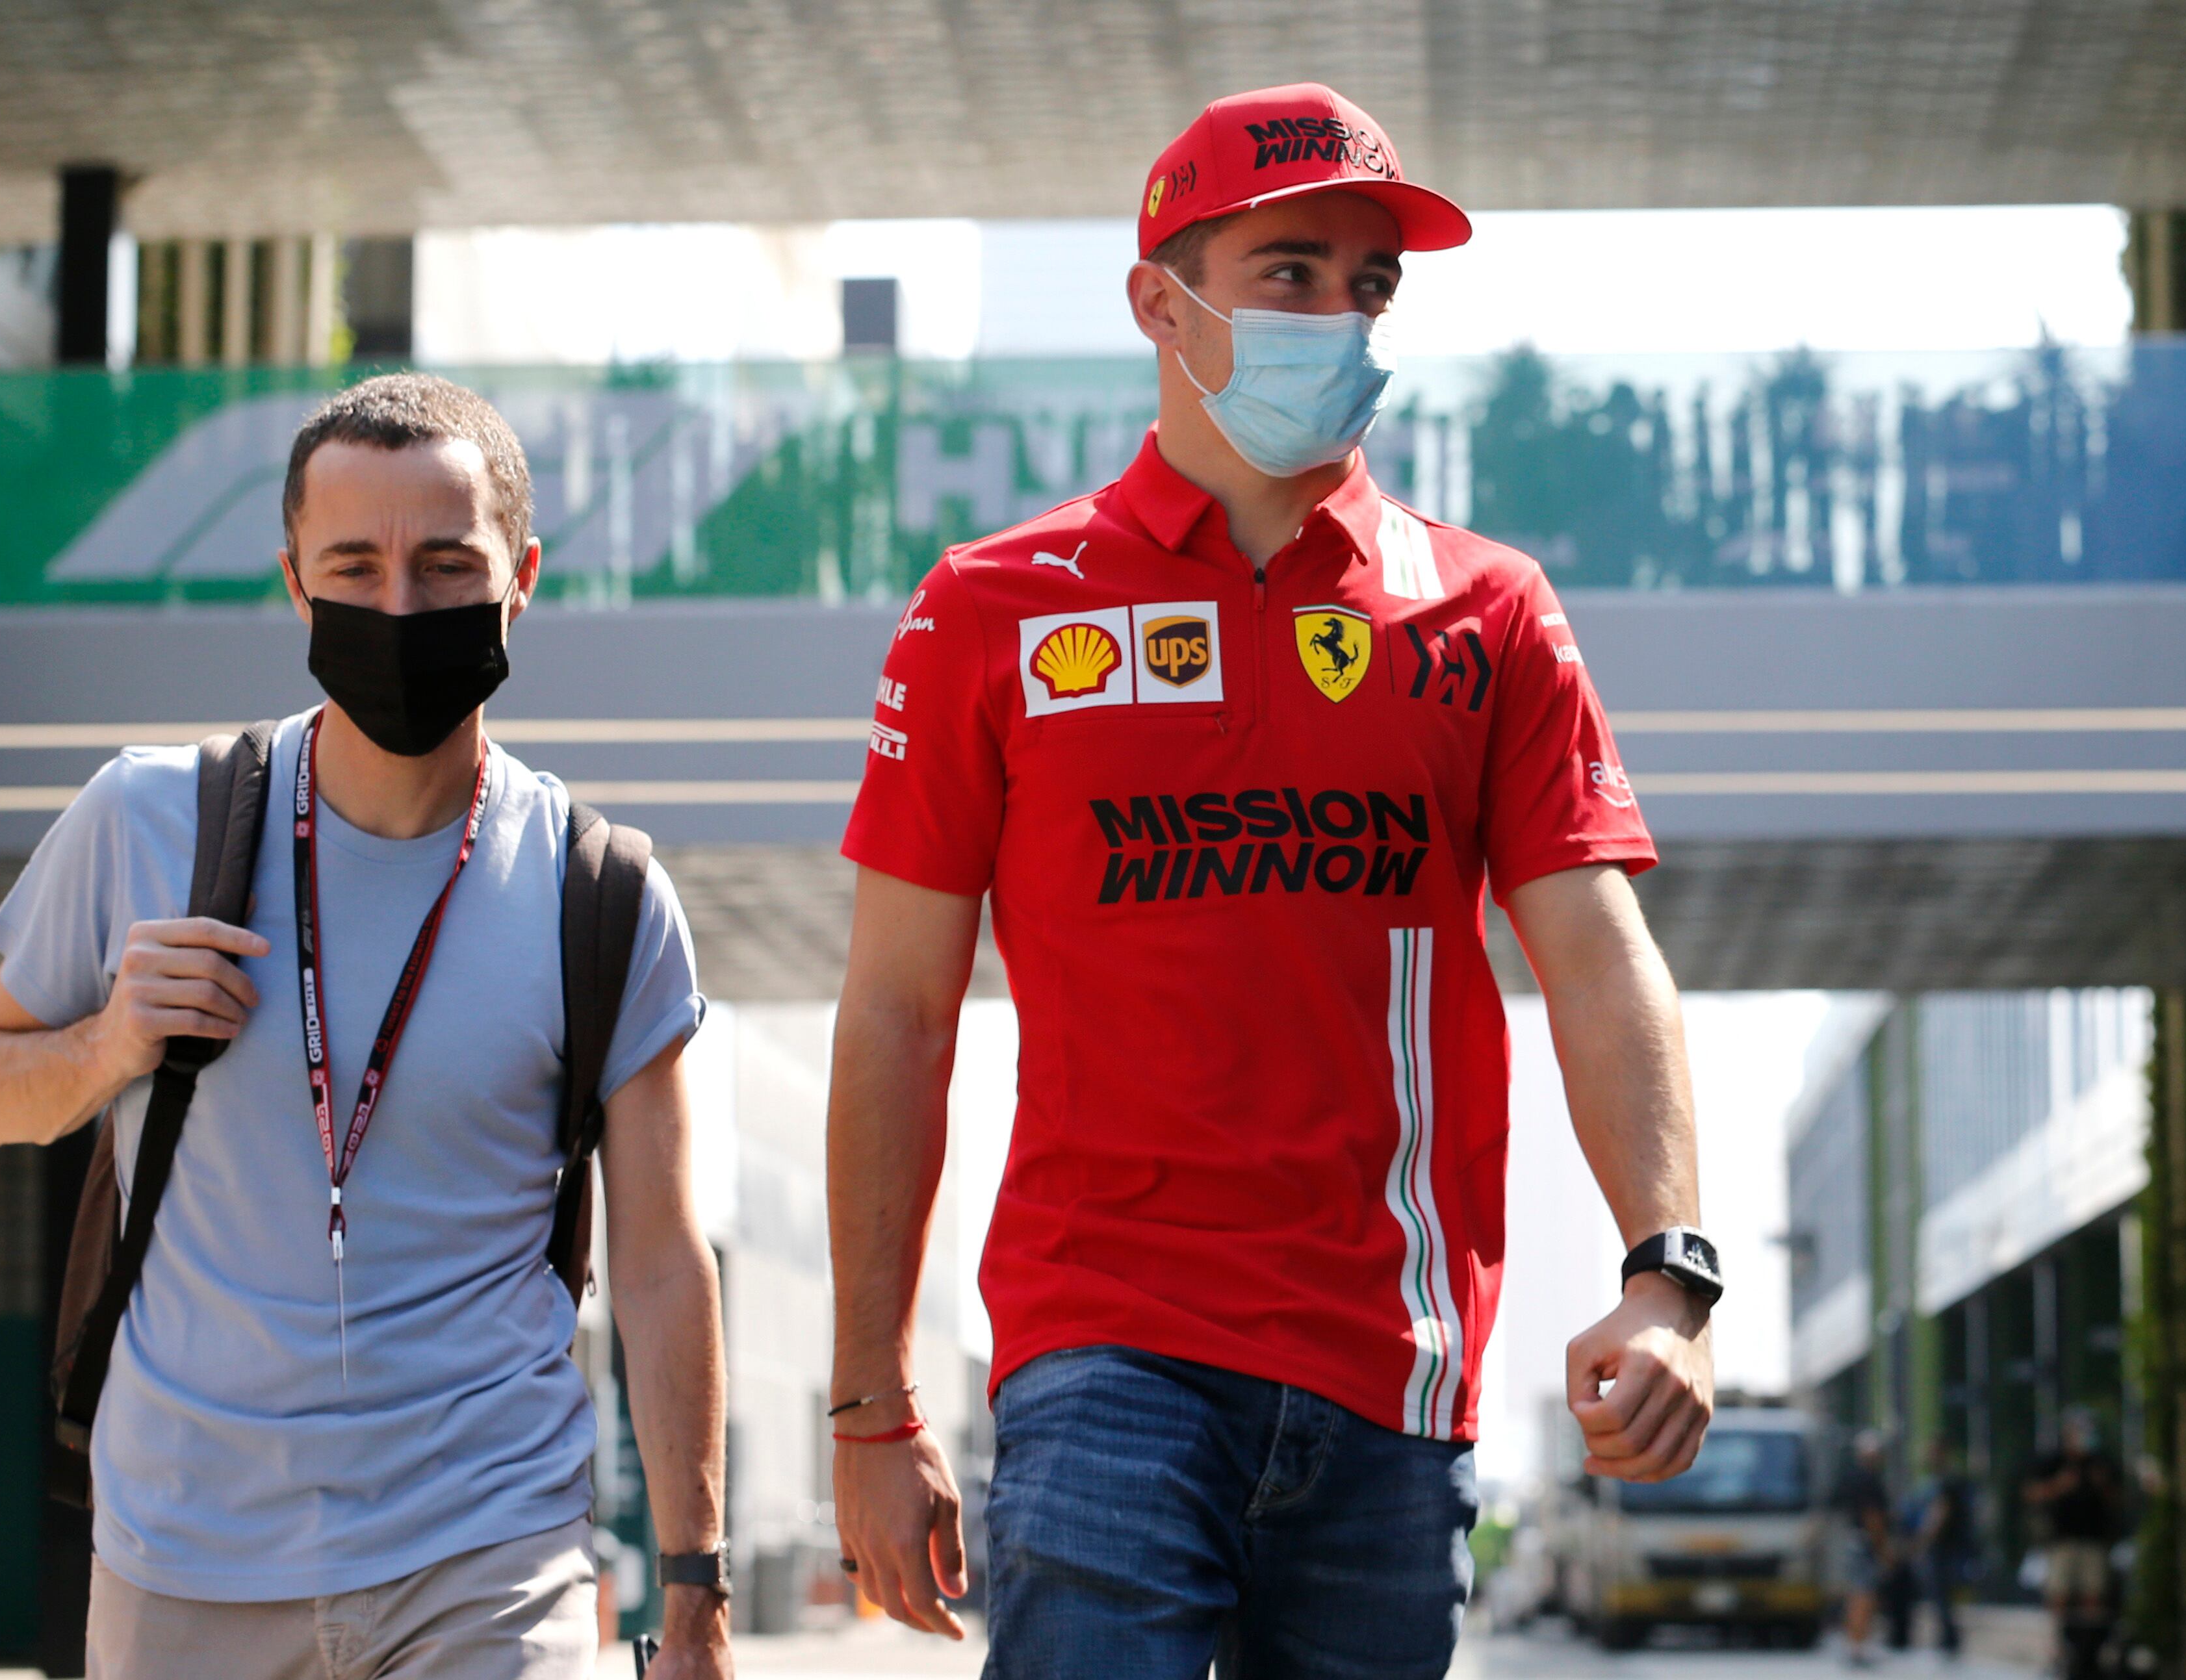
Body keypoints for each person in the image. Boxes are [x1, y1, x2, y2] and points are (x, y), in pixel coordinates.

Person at [823, 83, 1720, 1679]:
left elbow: (1596, 956)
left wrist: (1669, 1269)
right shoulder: (989, 610)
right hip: (1101, 1352)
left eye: (1370, 285)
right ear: (1157, 300)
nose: (1341, 318)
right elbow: (896, 1011)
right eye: (1290, 272)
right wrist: (869, 1403)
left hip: (1392, 1377)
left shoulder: (1487, 609)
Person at [0, 374, 733, 1680]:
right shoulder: (148, 821)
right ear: (295, 587)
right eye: (353, 567)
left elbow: (657, 1258)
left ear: (520, 578)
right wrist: (106, 1046)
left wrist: (694, 1593)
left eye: (444, 563)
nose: (399, 606)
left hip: (488, 1549)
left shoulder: (599, 893)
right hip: (183, 1551)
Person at [2027, 1407, 2123, 1679]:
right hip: (2062, 1542)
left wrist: (2101, 1485)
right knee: (2059, 1594)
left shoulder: (2102, 1463)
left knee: (2093, 1594)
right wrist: (2059, 1486)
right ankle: (2057, 1648)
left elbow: (2118, 1499)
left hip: (2094, 1541)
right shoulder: (2054, 1462)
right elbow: (2032, 1493)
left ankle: (2090, 1649)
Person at [1907, 1437, 1977, 1657]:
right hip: (1944, 1546)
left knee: (1941, 1593)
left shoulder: (1947, 1481)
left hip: (1944, 1547)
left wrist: (1923, 1541)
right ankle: (1948, 1636)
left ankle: (1949, 1638)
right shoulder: (1940, 1480)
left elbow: (1939, 1514)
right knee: (1940, 1595)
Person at [1836, 1431, 1895, 1670]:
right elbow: (1874, 1518)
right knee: (1865, 1594)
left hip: (1854, 1540)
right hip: (1866, 1543)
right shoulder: (1870, 1481)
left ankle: (1855, 1643)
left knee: (1857, 1594)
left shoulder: (1851, 1477)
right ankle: (1858, 1646)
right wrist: (1883, 1548)